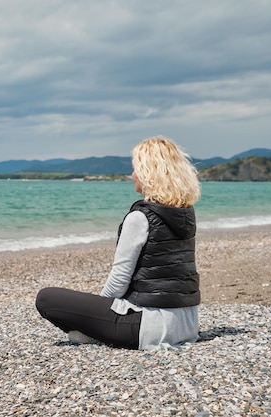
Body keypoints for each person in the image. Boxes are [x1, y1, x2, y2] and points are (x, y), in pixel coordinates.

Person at [35, 136, 201, 350]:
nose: (132, 175)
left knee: (46, 298)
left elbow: (119, 280)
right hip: (187, 324)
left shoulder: (140, 218)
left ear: (147, 173)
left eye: (135, 169)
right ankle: (95, 332)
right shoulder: (185, 214)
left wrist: (99, 313)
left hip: (151, 328)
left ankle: (95, 335)